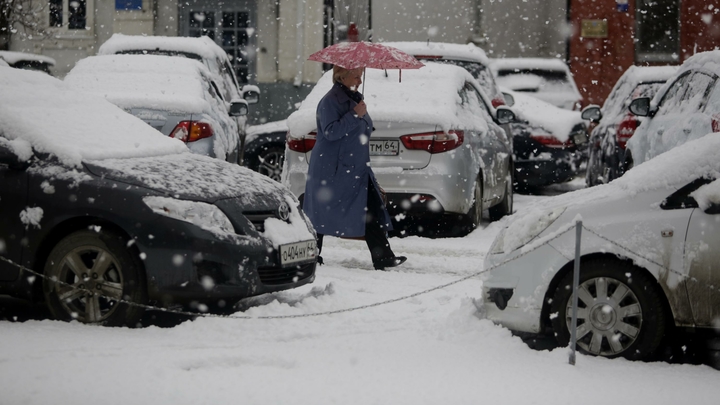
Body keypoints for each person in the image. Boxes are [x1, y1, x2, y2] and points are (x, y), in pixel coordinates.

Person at [302, 65, 407, 271]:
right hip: (333, 169)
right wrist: (355, 115)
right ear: (342, 76)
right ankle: (309, 255)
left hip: (355, 167)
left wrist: (358, 113)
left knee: (370, 208)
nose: (359, 80)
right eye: (356, 76)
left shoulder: (354, 98)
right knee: (320, 213)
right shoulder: (330, 101)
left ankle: (383, 256)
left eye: (361, 76)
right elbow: (331, 131)